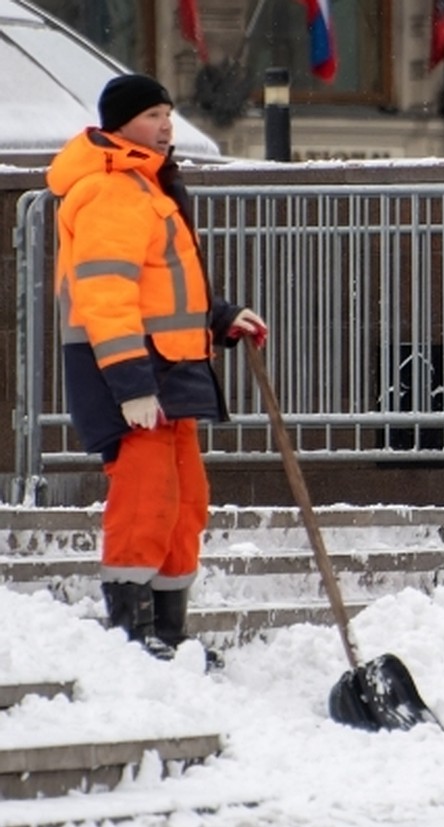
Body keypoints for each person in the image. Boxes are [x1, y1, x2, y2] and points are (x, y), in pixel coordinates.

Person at [46, 74, 268, 663]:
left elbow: (159, 288)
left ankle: (170, 633)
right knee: (146, 502)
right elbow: (106, 295)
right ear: (119, 126)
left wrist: (220, 317)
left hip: (171, 373)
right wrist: (130, 384)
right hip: (136, 378)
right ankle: (131, 635)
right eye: (151, 115)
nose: (166, 125)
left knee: (184, 501)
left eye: (168, 113)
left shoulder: (147, 187)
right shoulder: (112, 190)